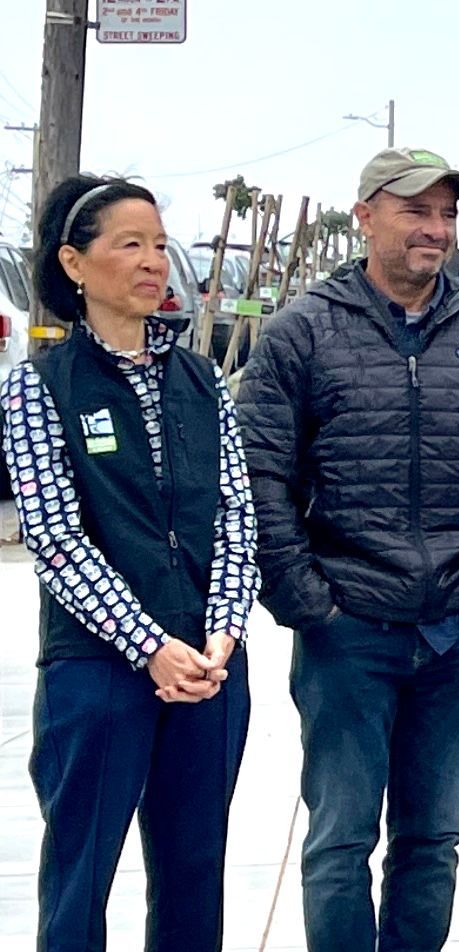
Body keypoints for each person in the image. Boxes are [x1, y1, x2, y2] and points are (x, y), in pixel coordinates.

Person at [235, 147, 459, 951]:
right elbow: (259, 476)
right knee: (340, 841)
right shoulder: (300, 334)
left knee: (434, 839)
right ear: (366, 215)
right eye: (417, 211)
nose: (436, 229)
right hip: (349, 630)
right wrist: (309, 601)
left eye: (447, 214)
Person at [1, 175, 258, 951]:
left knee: (193, 873)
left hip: (207, 668)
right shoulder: (40, 388)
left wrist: (222, 633)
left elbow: (238, 515)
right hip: (100, 669)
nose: (153, 263)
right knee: (80, 880)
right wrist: (149, 646)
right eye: (130, 245)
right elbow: (54, 537)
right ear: (75, 265)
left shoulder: (201, 379)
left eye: (157, 245)